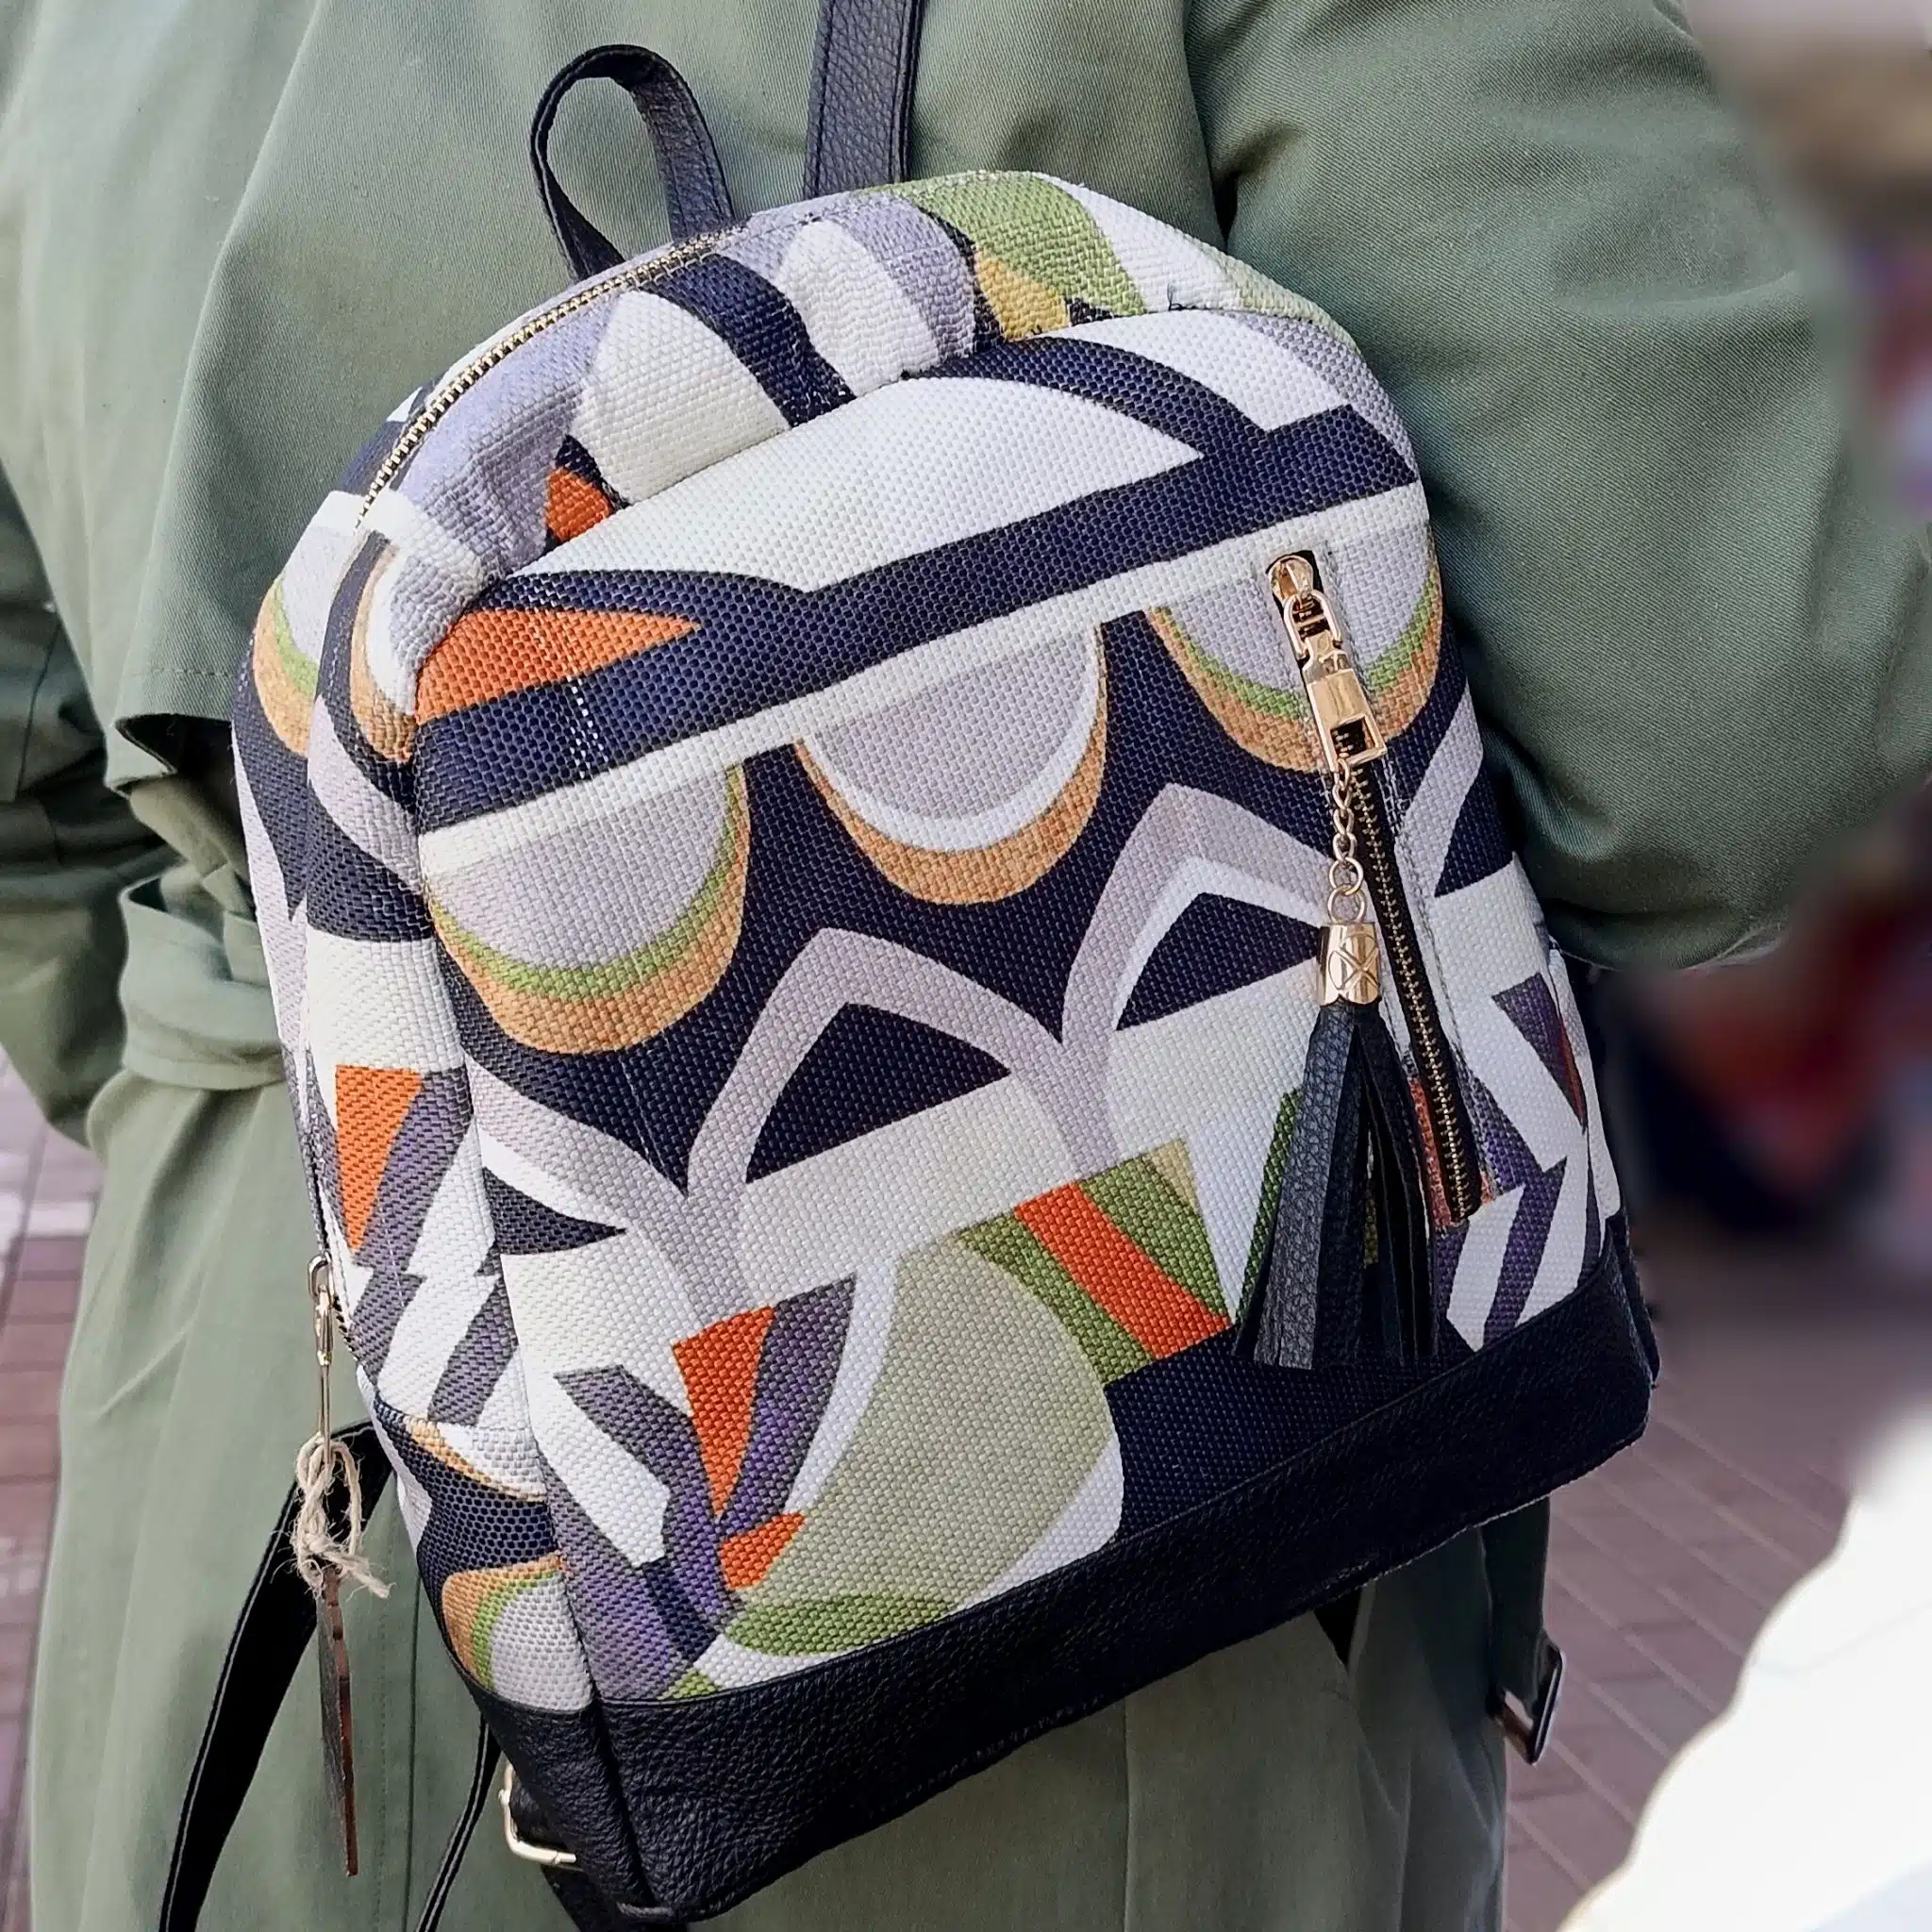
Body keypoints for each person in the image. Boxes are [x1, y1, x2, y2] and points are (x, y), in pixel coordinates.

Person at [2, 3, 1926, 1927]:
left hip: (245, 1444)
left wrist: (308, 1097)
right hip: (1108, 1590)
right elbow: (1727, 720)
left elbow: (31, 804)